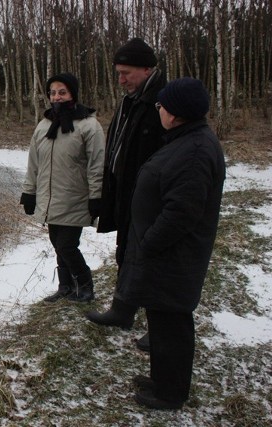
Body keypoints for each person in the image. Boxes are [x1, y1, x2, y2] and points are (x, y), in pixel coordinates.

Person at [118, 77, 225, 409]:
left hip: (172, 256)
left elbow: (182, 211)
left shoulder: (194, 151)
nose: (158, 109)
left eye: (161, 105)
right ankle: (162, 379)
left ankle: (170, 393)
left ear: (176, 112)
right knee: (163, 322)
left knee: (172, 325)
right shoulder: (187, 140)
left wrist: (149, 243)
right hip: (167, 256)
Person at [85, 38, 167, 351]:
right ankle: (122, 311)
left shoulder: (163, 101)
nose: (121, 79)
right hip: (126, 193)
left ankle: (160, 327)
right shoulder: (130, 99)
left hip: (150, 198)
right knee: (125, 254)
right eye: (118, 72)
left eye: (126, 72)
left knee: (151, 262)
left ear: (147, 69)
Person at [20, 73, 105, 303]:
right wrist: (29, 191)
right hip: (49, 199)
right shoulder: (44, 126)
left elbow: (97, 165)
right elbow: (34, 162)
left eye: (62, 92)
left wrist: (97, 196)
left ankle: (86, 286)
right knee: (58, 245)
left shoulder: (89, 125)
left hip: (75, 198)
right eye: (53, 93)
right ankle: (66, 287)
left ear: (73, 94)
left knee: (67, 246)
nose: (57, 97)